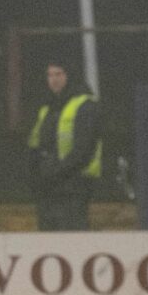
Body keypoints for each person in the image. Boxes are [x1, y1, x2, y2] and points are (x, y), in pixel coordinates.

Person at [27, 60, 102, 231]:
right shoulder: (47, 108)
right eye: (50, 75)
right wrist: (36, 176)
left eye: (58, 74)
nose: (53, 79)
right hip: (48, 187)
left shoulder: (85, 105)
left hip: (74, 186)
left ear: (69, 75)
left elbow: (84, 149)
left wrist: (57, 172)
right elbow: (36, 145)